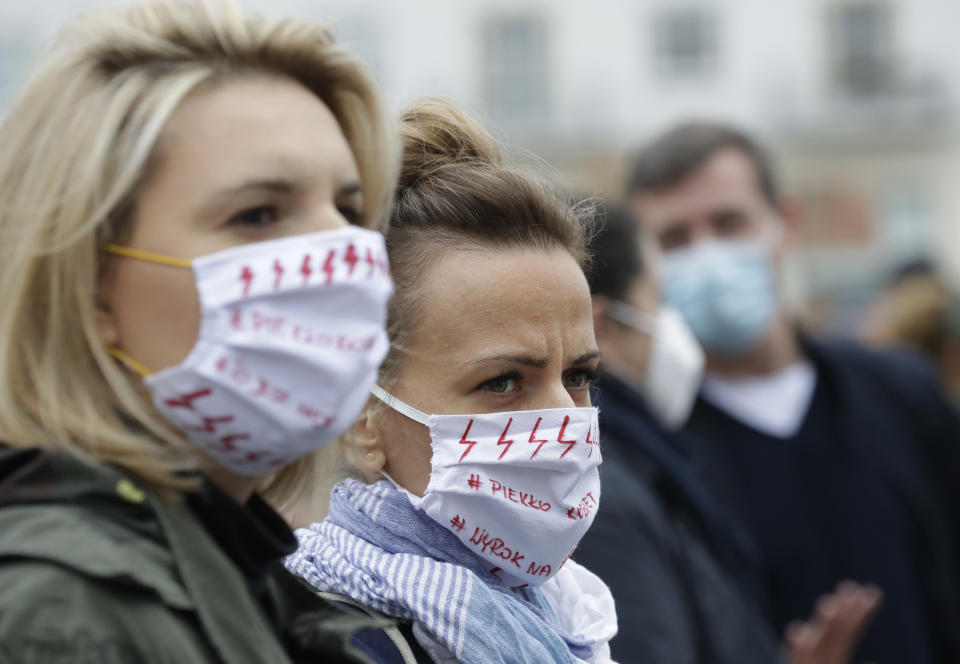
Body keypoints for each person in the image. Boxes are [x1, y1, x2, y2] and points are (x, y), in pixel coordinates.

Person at [0, 1, 409, 662]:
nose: (345, 255)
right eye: (259, 213)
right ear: (90, 281)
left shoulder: (242, 573)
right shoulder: (63, 615)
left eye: (349, 209)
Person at [287, 99, 617, 664]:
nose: (564, 417)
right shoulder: (319, 641)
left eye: (578, 375)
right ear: (362, 416)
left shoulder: (566, 618)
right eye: (504, 381)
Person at [625, 122, 960, 663]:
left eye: (729, 223)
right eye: (674, 239)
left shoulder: (903, 393)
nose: (707, 256)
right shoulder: (650, 451)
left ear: (784, 223)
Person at [574, 204, 881, 664]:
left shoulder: (648, 460)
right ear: (605, 327)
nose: (672, 326)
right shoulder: (605, 489)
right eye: (658, 300)